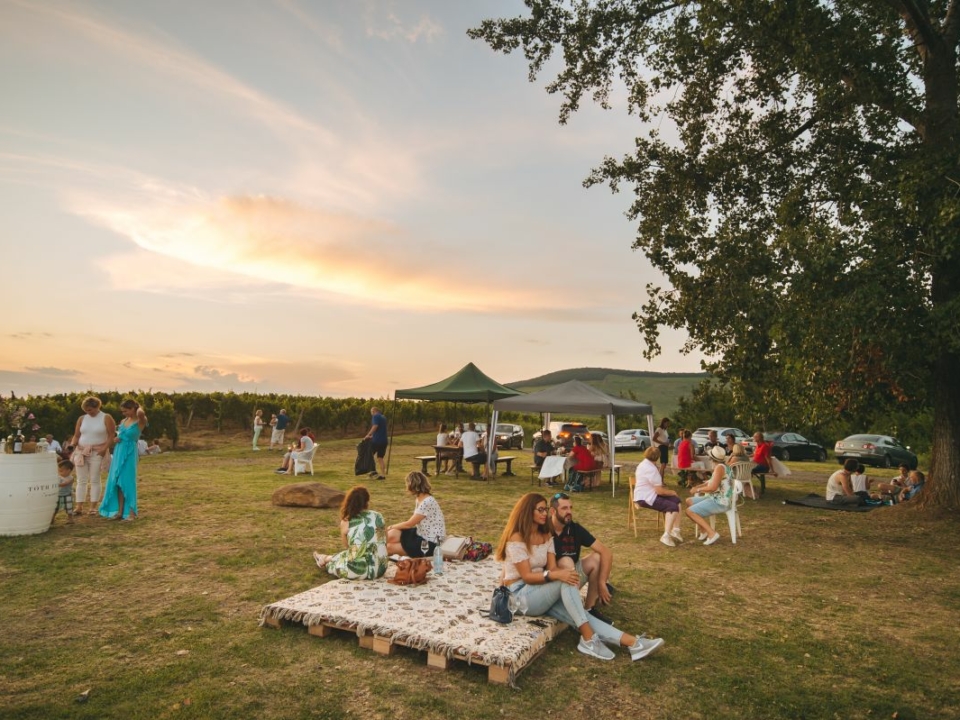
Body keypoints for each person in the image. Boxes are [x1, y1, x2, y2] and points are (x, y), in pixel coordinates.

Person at [496, 493, 664, 662]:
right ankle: (589, 640)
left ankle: (634, 643)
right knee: (566, 579)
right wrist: (558, 575)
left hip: (538, 593)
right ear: (527, 512)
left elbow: (553, 568)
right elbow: (527, 576)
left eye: (545, 509)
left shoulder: (546, 535)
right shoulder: (517, 537)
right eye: (540, 510)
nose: (545, 513)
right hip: (518, 597)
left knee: (580, 615)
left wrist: (559, 575)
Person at [548, 492, 616, 624]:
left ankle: (589, 609)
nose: (569, 512)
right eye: (564, 508)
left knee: (597, 558)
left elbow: (606, 552)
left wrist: (602, 582)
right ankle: (579, 617)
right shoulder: (543, 529)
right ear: (552, 511)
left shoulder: (575, 528)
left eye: (570, 508)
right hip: (551, 581)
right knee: (566, 561)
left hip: (572, 579)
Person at [313, 486, 388, 580]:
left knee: (336, 564)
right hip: (381, 568)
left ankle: (325, 561)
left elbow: (348, 547)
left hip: (358, 572)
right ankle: (325, 557)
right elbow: (385, 540)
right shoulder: (378, 516)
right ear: (367, 501)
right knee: (351, 553)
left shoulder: (346, 521)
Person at [99, 399, 148, 521]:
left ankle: (131, 512)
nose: (124, 413)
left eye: (126, 410)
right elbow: (120, 434)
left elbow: (141, 413)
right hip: (118, 451)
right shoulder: (123, 421)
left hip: (130, 452)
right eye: (122, 411)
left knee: (127, 481)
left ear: (133, 408)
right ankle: (120, 512)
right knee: (117, 481)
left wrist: (138, 407)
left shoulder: (140, 420)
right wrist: (116, 439)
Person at [70, 396, 117, 516]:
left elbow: (112, 435)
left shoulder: (106, 417)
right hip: (81, 451)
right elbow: (76, 435)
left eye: (90, 409)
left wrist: (104, 448)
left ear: (97, 407)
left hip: (97, 451)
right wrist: (72, 444)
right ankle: (79, 506)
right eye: (86, 410)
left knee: (95, 479)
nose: (88, 412)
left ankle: (93, 507)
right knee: (81, 479)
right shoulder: (82, 418)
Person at [386, 471, 446, 557]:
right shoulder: (419, 499)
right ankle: (370, 548)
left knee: (389, 547)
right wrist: (391, 529)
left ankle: (372, 553)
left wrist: (390, 527)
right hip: (420, 534)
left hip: (430, 543)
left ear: (412, 486)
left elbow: (409, 524)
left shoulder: (427, 502)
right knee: (392, 534)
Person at [685, 446, 736, 545]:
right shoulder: (723, 466)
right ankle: (703, 531)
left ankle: (712, 533)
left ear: (711, 458)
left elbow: (712, 487)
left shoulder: (719, 468)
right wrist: (697, 486)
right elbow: (710, 482)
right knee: (689, 501)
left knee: (689, 511)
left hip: (720, 501)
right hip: (716, 498)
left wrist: (698, 489)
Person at [634, 445, 684, 546]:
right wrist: (672, 492)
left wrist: (672, 494)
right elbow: (659, 491)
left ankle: (676, 530)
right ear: (658, 457)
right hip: (646, 498)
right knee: (672, 506)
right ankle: (666, 535)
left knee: (676, 500)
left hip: (645, 494)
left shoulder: (643, 464)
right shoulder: (652, 469)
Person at [363, 407, 388, 480]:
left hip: (376, 441)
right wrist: (373, 436)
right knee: (380, 458)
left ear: (374, 411)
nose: (371, 413)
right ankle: (383, 475)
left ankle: (373, 472)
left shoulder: (375, 416)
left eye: (371, 412)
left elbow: (375, 426)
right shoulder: (383, 417)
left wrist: (368, 435)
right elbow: (380, 430)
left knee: (369, 456)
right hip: (384, 441)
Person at [52, 459, 75, 525]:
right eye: (59, 470)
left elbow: (65, 484)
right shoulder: (58, 477)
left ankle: (70, 519)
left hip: (67, 495)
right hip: (58, 494)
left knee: (69, 507)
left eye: (61, 471)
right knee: (55, 508)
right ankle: (52, 519)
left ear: (68, 471)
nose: (59, 472)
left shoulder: (70, 478)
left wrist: (56, 484)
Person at [751, 432, 773, 497]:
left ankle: (750, 488)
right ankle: (751, 487)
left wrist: (772, 470)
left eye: (755, 436)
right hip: (757, 465)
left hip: (763, 466)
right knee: (747, 468)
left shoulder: (764, 446)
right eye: (754, 436)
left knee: (747, 470)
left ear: (760, 438)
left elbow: (768, 458)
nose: (754, 438)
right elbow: (755, 454)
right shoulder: (758, 445)